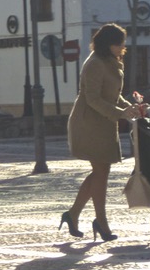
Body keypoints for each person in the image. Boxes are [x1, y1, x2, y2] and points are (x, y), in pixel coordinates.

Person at [59, 23, 141, 241]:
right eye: (118, 43)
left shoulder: (110, 61)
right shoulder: (95, 63)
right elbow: (93, 98)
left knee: (101, 171)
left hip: (103, 122)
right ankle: (100, 221)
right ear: (108, 44)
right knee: (101, 171)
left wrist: (128, 107)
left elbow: (113, 94)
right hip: (88, 122)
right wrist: (121, 113)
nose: (122, 47)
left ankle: (74, 214)